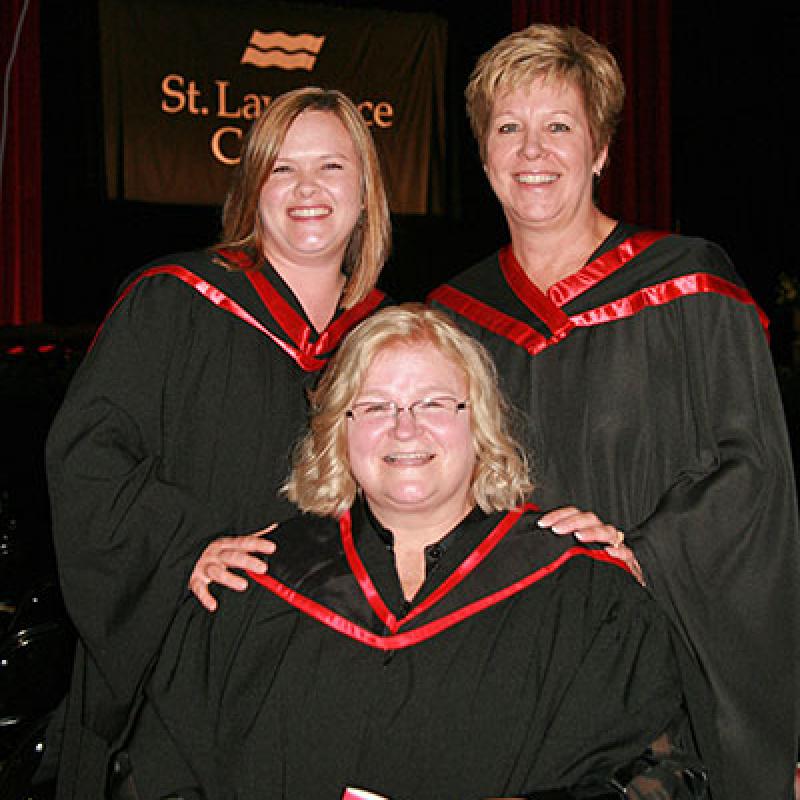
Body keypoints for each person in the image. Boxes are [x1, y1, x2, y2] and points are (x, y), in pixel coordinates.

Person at [116, 304, 708, 800]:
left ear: (478, 424)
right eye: (374, 406)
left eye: (433, 403)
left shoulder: (580, 593)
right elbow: (158, 773)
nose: (404, 429)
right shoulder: (255, 585)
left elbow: (655, 774)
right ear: (338, 430)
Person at [427, 23, 800, 800]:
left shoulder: (690, 289)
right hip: (496, 661)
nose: (532, 151)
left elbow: (753, 471)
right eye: (508, 129)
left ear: (599, 151)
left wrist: (639, 552)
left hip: (649, 663)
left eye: (559, 127)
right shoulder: (449, 321)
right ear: (485, 153)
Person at [44, 86, 392, 799]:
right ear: (252, 186)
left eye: (330, 168)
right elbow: (85, 458)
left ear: (365, 193)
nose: (306, 190)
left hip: (339, 693)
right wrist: (186, 544)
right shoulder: (174, 303)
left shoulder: (391, 341)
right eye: (281, 168)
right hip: (189, 685)